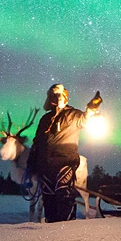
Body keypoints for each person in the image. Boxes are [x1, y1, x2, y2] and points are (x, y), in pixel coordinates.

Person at [26, 84, 101, 222]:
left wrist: (91, 108)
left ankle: (66, 228)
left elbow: (85, 119)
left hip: (65, 161)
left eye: (58, 95)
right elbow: (37, 142)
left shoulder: (73, 115)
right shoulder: (45, 120)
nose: (56, 98)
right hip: (46, 165)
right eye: (53, 96)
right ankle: (52, 229)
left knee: (64, 193)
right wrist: (31, 163)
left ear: (64, 96)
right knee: (48, 197)